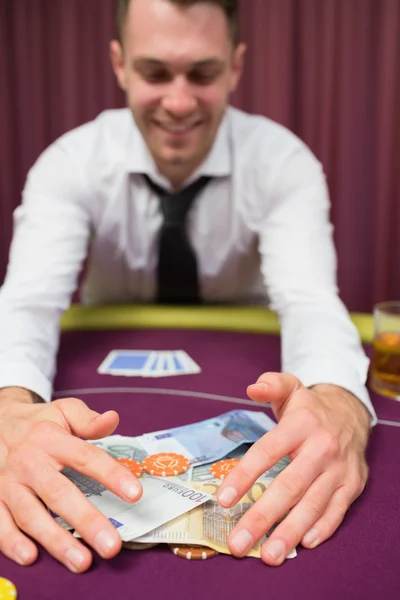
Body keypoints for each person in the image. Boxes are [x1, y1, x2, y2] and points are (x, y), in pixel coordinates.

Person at [0, 0, 375, 574]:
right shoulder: (71, 161)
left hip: (248, 362)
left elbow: (309, 300)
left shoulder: (282, 161)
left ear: (235, 67)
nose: (178, 102)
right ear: (120, 64)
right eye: (155, 73)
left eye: (202, 73)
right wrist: (6, 407)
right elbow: (27, 300)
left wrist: (339, 402)